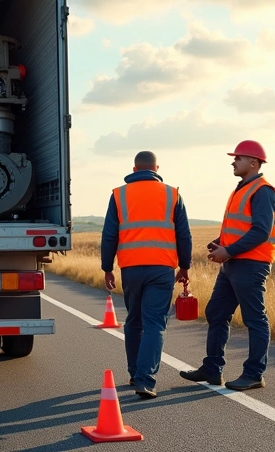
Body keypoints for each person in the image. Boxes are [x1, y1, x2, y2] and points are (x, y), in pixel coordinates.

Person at [179, 140, 275, 391]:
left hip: (250, 264)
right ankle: (212, 369)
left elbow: (260, 232)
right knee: (216, 313)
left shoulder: (263, 191)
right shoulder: (242, 188)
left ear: (253, 163)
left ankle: (255, 374)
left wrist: (229, 250)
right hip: (233, 263)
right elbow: (241, 227)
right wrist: (220, 243)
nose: (233, 161)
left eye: (238, 158)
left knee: (255, 319)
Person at [101, 151, 192, 399]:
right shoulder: (172, 194)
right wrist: (184, 266)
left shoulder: (119, 195)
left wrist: (107, 267)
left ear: (134, 169)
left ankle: (134, 373)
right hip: (162, 268)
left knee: (134, 321)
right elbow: (183, 234)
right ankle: (145, 380)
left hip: (131, 268)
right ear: (156, 168)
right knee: (154, 324)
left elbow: (110, 234)